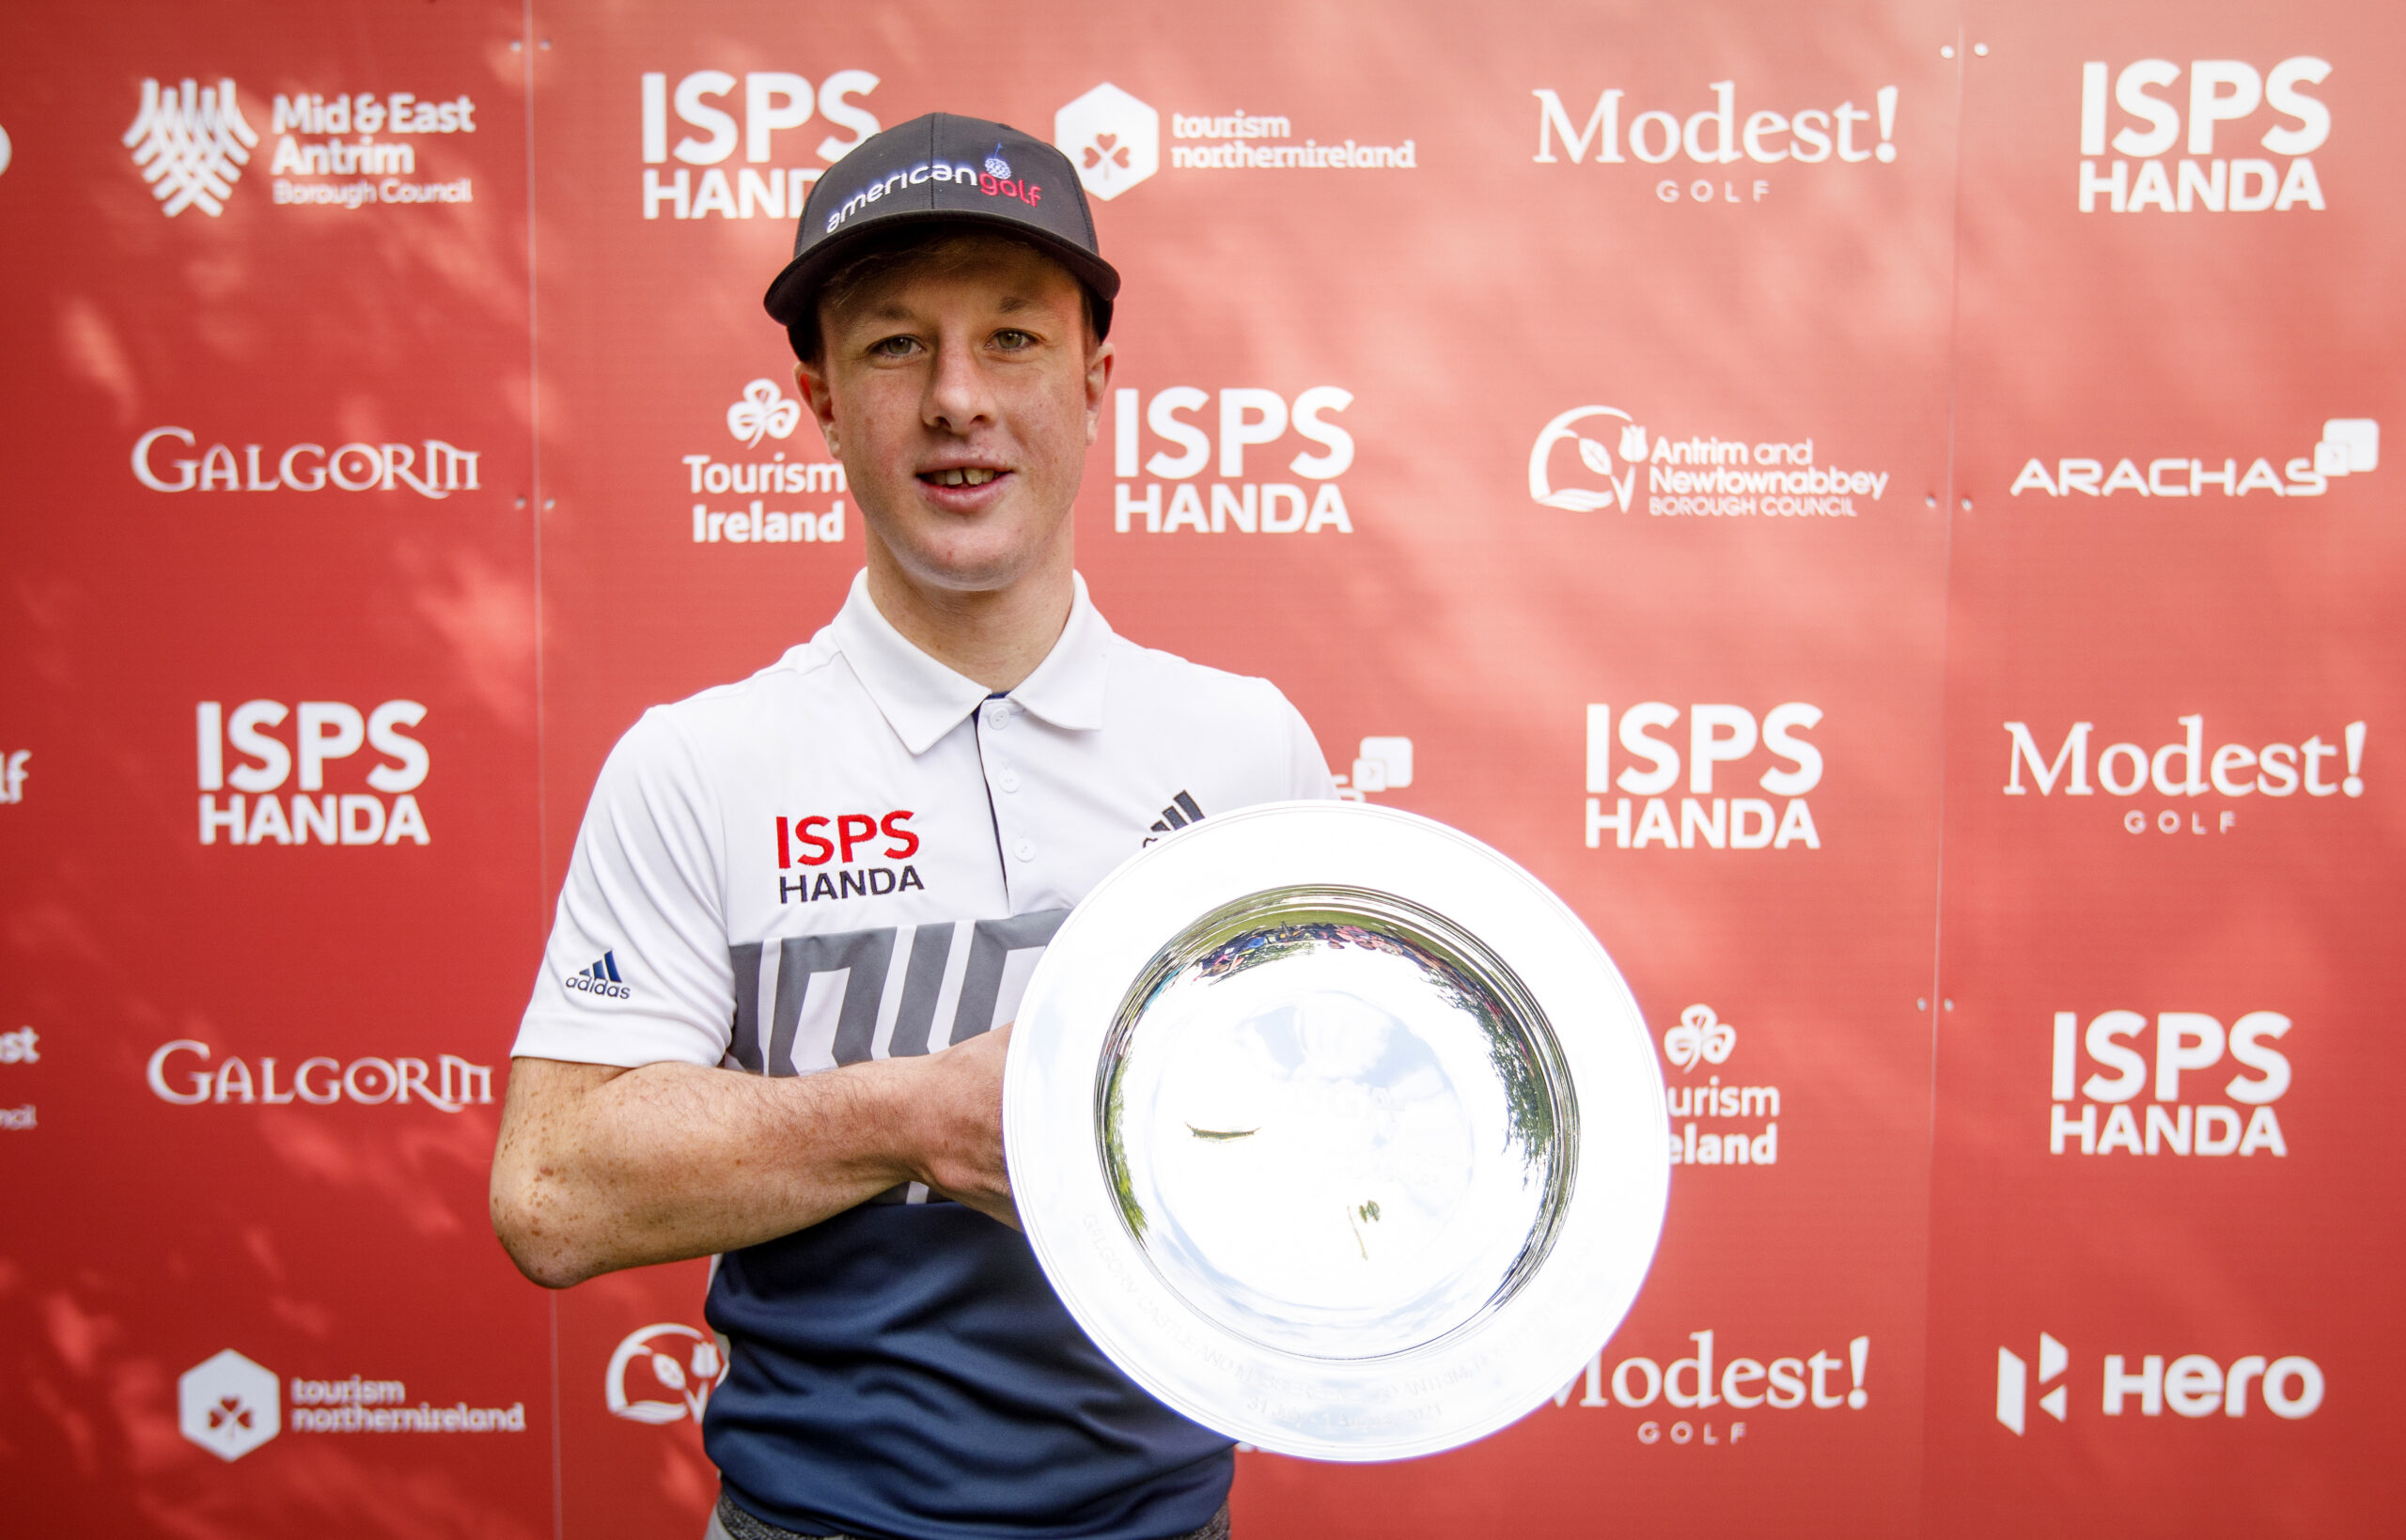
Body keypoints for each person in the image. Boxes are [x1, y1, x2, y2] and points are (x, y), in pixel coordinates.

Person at [488, 114, 1334, 1540]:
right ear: (818, 399)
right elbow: (552, 1193)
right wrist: (910, 1120)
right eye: (895, 346)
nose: (958, 398)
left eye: (1012, 338)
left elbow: (1338, 1136)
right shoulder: (700, 764)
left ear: (1094, 380)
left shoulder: (1250, 748)